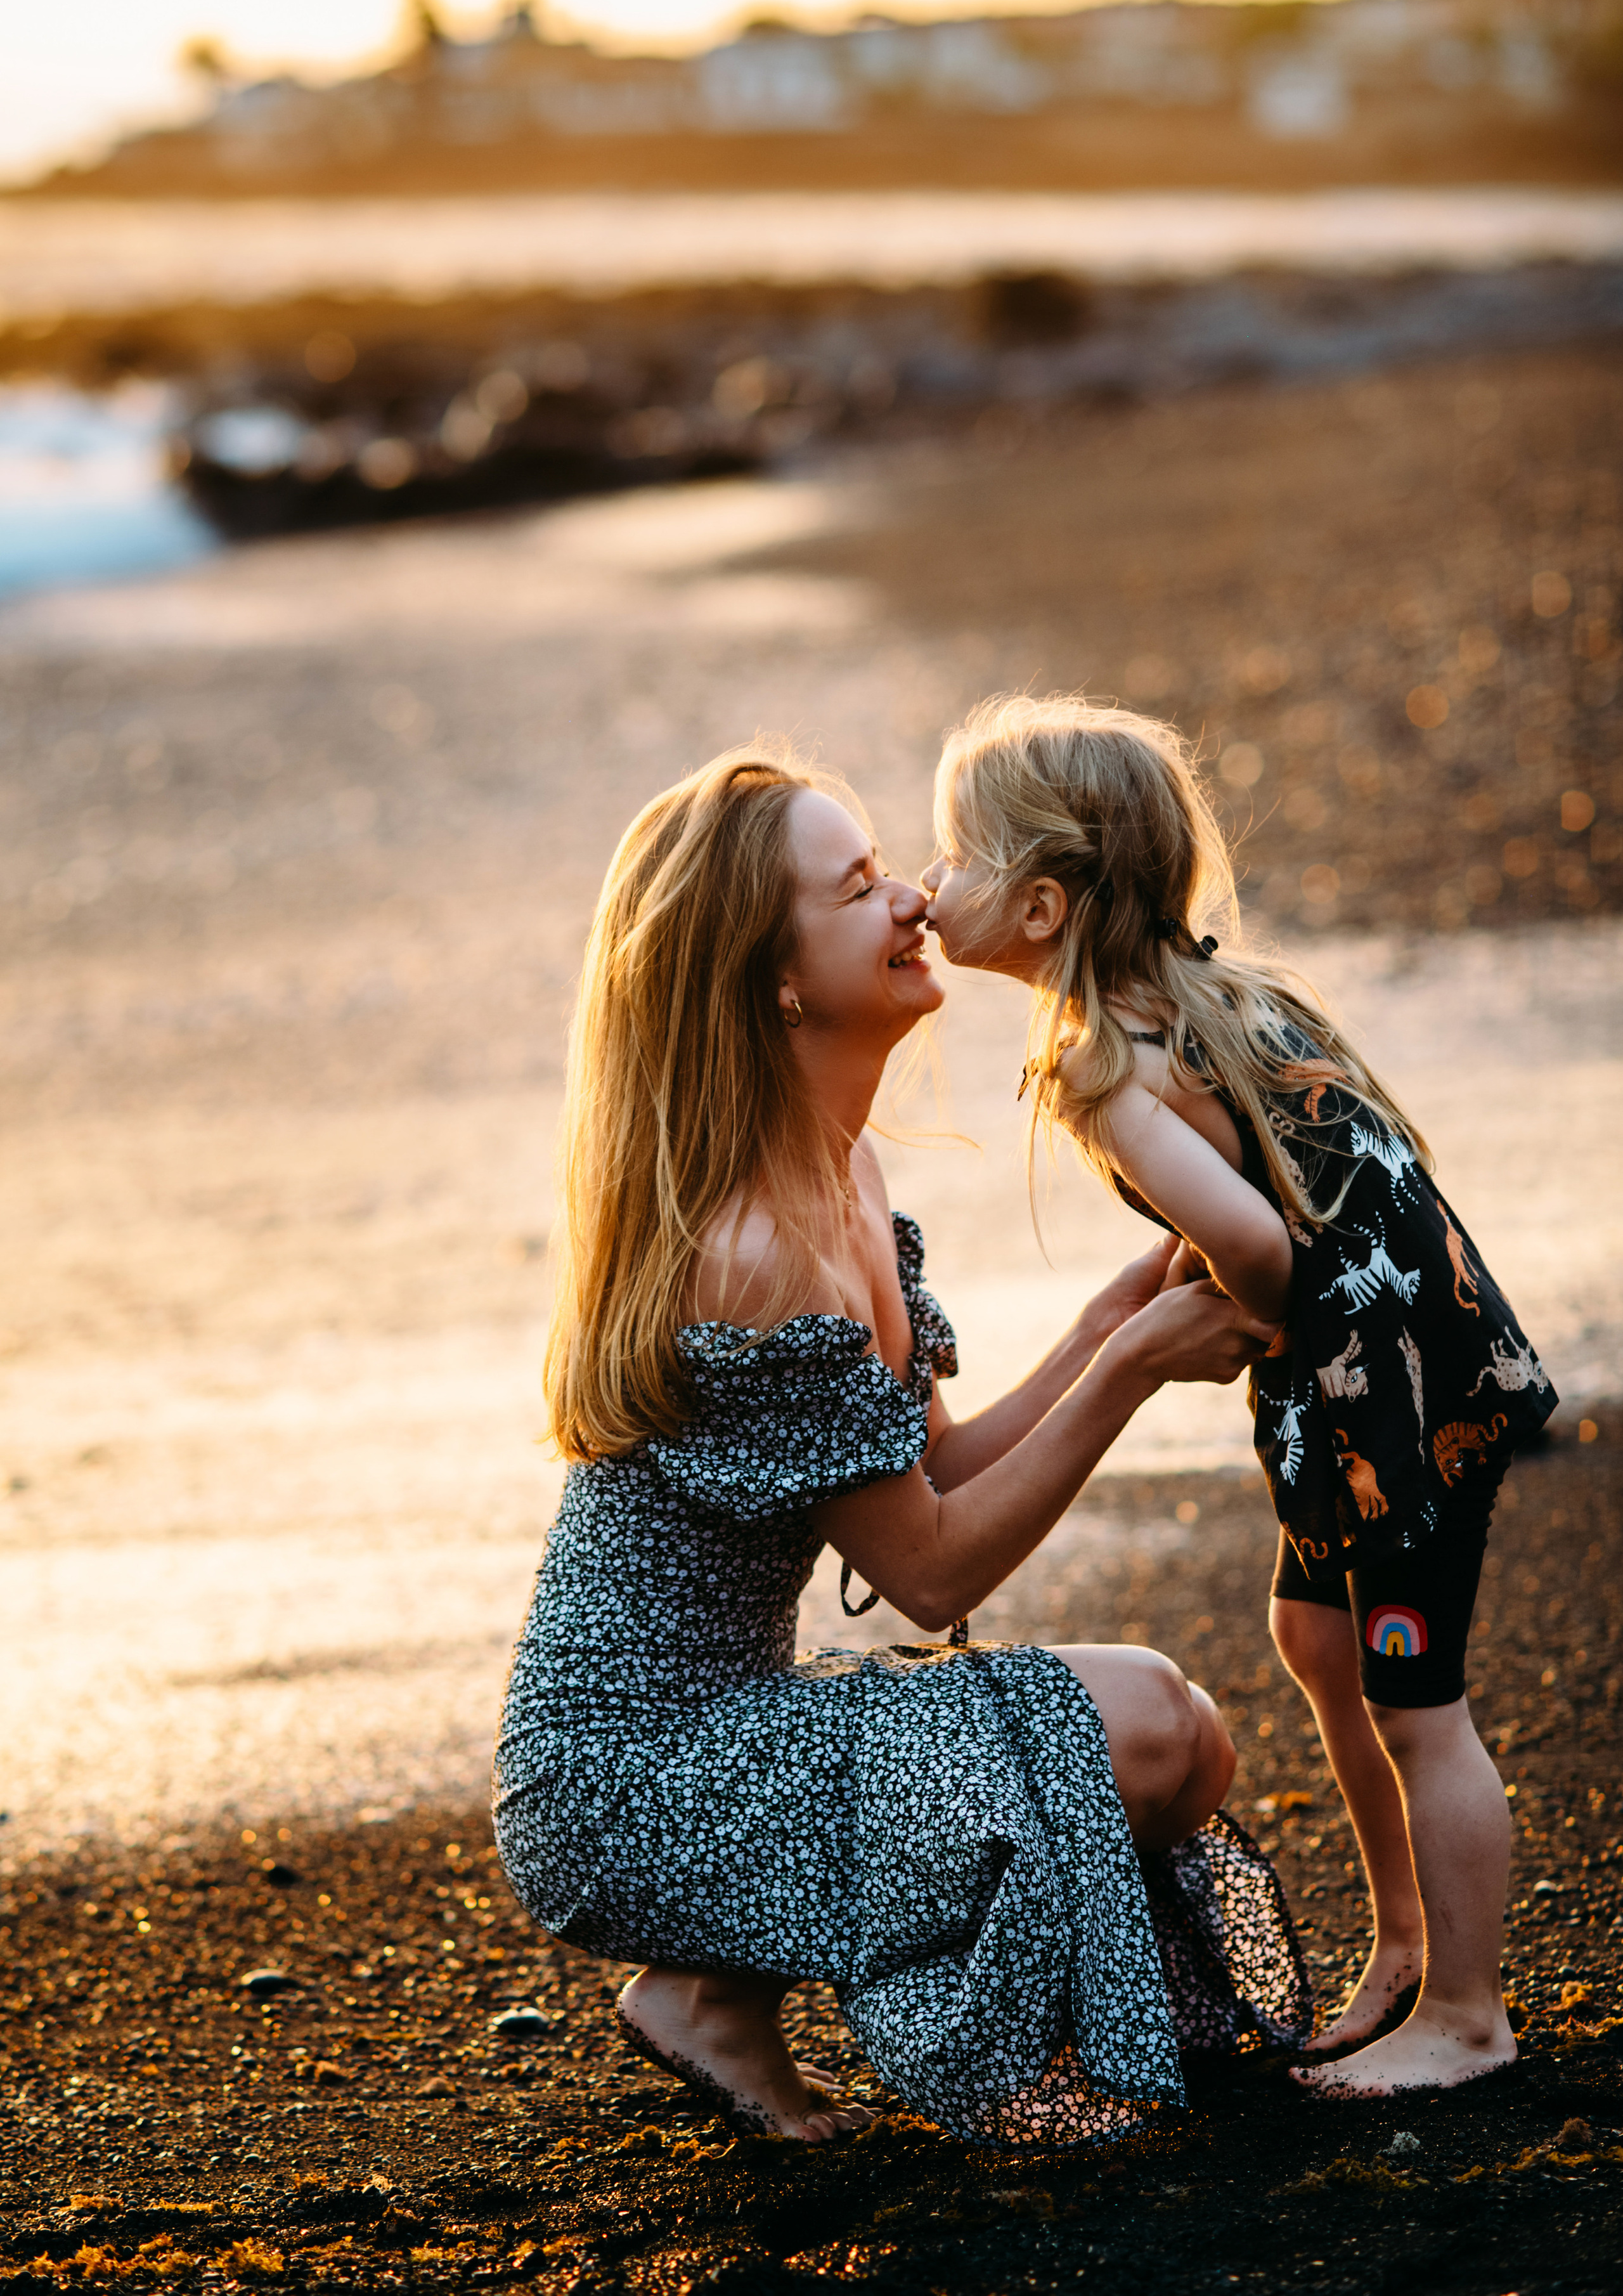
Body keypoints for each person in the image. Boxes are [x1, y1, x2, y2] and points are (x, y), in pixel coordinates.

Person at [494, 741, 1305, 2150]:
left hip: (731, 1737)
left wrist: (1097, 1323)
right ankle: (711, 1981)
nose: (913, 904)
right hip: (627, 1785)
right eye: (861, 886)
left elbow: (925, 1476)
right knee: (1162, 1733)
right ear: (776, 979)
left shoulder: (841, 1174)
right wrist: (1125, 1373)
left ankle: (711, 2000)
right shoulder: (755, 1250)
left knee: (1175, 1735)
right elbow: (927, 1575)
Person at [921, 693, 1556, 2100]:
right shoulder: (1212, 995)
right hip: (1375, 1362)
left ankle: (1466, 2014)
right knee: (1311, 1637)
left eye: (948, 859)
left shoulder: (1102, 1069)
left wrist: (1230, 1302)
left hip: (1387, 1401)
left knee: (1415, 1703)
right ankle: (1400, 1950)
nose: (923, 887)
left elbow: (1264, 1249)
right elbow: (1289, 1177)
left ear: (1035, 908)